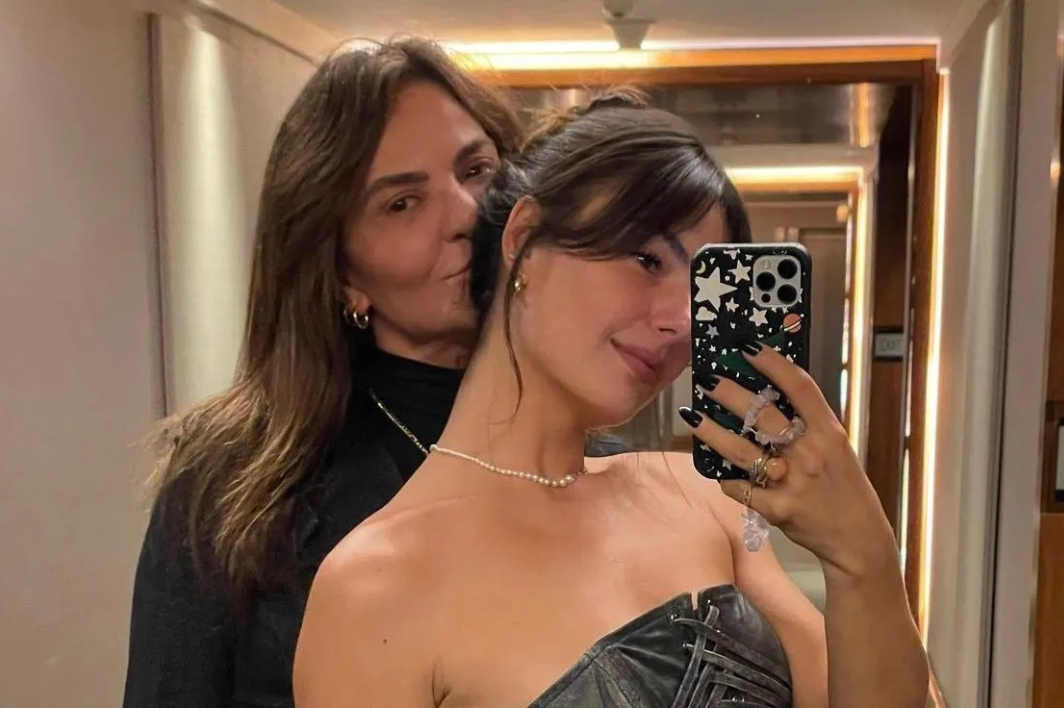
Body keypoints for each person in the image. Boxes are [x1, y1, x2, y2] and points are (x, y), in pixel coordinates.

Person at [293, 91, 930, 707]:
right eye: (647, 260)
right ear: (524, 240)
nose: (680, 321)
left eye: (698, 290)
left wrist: (861, 554)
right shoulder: (375, 585)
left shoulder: (702, 497)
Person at [122, 38, 528, 708]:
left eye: (476, 169)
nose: (465, 215)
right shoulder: (226, 487)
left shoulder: (599, 461)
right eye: (402, 203)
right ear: (342, 275)